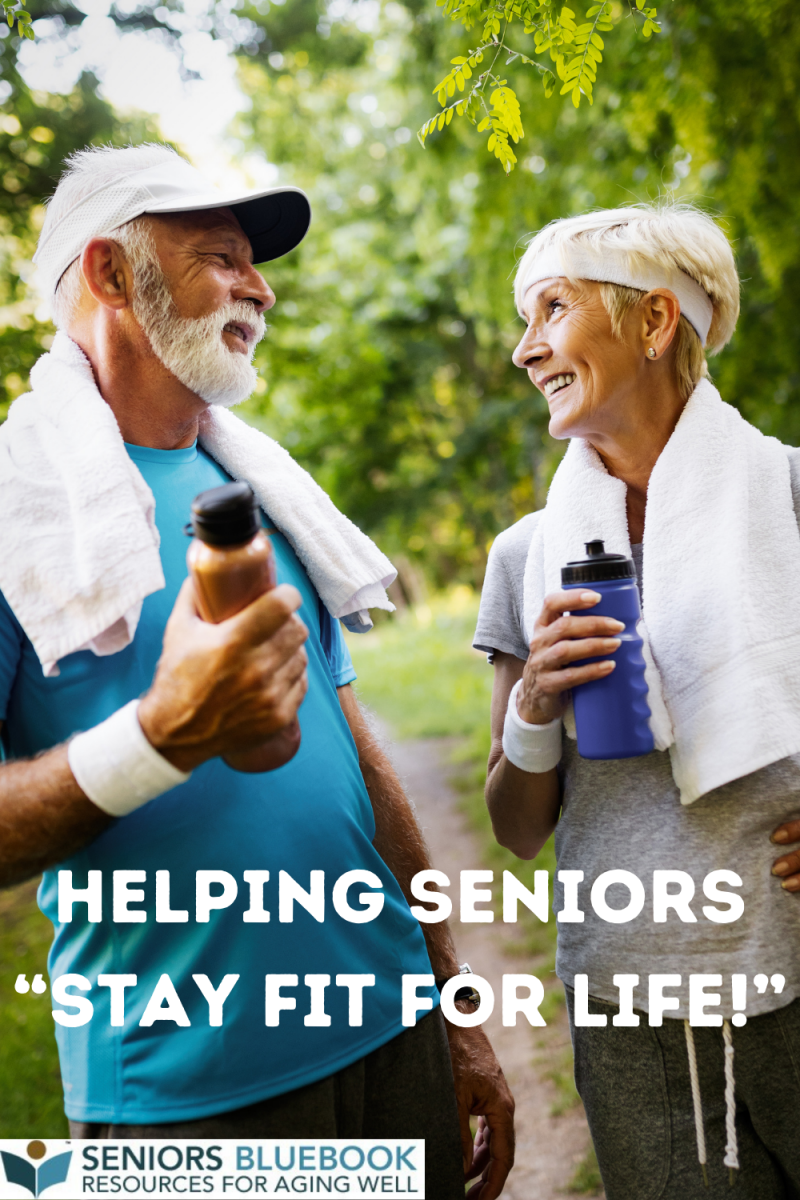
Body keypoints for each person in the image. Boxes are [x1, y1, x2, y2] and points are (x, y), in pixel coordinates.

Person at [0, 142, 514, 1198]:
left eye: (254, 262)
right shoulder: (22, 513)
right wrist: (156, 741)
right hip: (190, 1091)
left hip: (389, 1030)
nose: (261, 287)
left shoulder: (255, 489)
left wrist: (453, 1009)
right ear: (109, 274)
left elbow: (356, 754)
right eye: (222, 258)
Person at [473, 203, 800, 1199]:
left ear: (653, 323)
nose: (524, 349)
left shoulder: (788, 499)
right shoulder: (526, 557)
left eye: (551, 309)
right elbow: (514, 827)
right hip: (627, 1004)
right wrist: (533, 701)